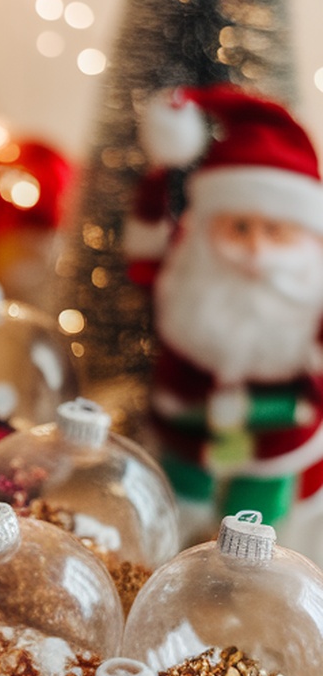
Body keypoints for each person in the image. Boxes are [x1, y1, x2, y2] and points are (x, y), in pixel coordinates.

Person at [125, 84, 323, 534]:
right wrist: (157, 182)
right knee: (175, 516)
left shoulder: (314, 296)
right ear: (207, 225)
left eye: (276, 231)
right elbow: (144, 259)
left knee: (261, 530)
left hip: (275, 443)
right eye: (238, 228)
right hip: (185, 434)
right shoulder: (187, 273)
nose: (256, 250)